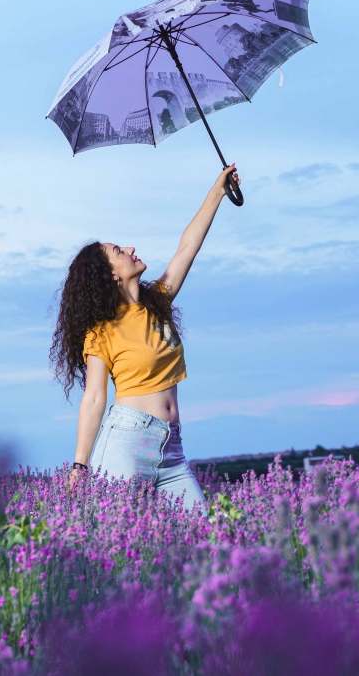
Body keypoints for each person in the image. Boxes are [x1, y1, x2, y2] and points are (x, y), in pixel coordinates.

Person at [49, 165, 240, 511]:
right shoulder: (101, 331)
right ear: (110, 275)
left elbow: (187, 249)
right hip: (127, 444)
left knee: (209, 540)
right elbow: (94, 398)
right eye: (120, 250)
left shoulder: (158, 303)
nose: (131, 248)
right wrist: (80, 464)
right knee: (116, 554)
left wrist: (218, 191)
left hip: (172, 448)